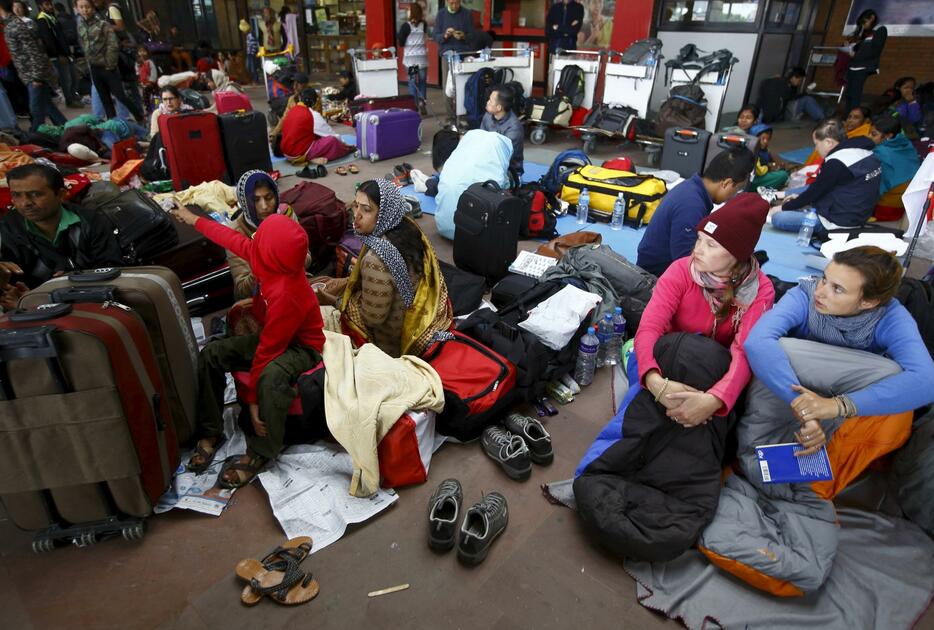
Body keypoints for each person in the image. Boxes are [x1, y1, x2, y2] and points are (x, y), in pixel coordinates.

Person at [167, 204, 325, 489]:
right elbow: (231, 238)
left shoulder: (287, 294)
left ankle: (260, 451)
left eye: (260, 238)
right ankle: (211, 431)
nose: (254, 241)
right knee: (212, 353)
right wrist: (193, 219)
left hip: (302, 346)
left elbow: (267, 352)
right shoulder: (266, 256)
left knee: (270, 378)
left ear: (271, 251)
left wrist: (252, 402)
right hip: (275, 335)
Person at [744, 245, 934, 457]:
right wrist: (806, 409)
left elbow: (927, 381)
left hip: (842, 393)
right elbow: (758, 342)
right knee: (777, 350)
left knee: (891, 373)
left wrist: (835, 406)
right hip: (794, 383)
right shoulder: (804, 294)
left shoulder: (890, 317)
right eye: (824, 278)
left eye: (838, 289)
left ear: (868, 302)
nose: (820, 291)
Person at [636, 193, 775, 426]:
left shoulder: (761, 291)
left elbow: (744, 350)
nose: (697, 250)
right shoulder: (681, 270)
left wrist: (714, 400)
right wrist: (653, 379)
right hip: (668, 358)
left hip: (713, 369)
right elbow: (651, 326)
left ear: (737, 254)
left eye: (711, 244)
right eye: (699, 239)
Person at [338, 179, 452, 358]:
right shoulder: (408, 228)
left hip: (392, 346)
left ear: (384, 213)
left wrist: (344, 302)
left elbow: (373, 319)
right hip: (419, 319)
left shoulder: (375, 259)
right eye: (355, 206)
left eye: (366, 209)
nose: (357, 215)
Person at [0, 163, 123, 292]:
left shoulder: (92, 222)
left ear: (60, 194)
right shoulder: (7, 228)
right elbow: (11, 283)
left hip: (90, 297)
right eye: (16, 195)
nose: (25, 203)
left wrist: (75, 280)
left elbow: (112, 269)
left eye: (35, 194)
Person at [636, 147, 756, 277]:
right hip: (655, 277)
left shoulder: (693, 188)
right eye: (737, 189)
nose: (734, 195)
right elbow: (686, 263)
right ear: (726, 183)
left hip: (660, 267)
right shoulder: (691, 205)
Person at [772, 119, 881, 234]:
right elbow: (821, 186)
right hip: (858, 214)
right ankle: (782, 194)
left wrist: (783, 208)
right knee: (812, 186)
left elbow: (815, 192)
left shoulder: (837, 162)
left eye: (816, 144)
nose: (816, 149)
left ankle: (783, 198)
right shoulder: (864, 151)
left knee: (779, 218)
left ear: (828, 142)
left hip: (837, 223)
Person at [228, 170, 304, 300]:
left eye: (269, 198)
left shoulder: (286, 214)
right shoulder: (235, 233)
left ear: (276, 196)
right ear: (245, 202)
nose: (264, 206)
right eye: (255, 200)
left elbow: (306, 257)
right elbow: (242, 290)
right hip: (260, 299)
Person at [0, 0, 67, 132]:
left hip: (33, 74)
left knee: (36, 109)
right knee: (48, 106)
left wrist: (36, 77)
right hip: (29, 74)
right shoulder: (10, 25)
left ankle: (36, 134)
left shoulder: (15, 26)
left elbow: (34, 51)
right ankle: (67, 128)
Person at [435, 129, 512, 240]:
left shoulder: (457, 158)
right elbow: (501, 185)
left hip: (443, 227)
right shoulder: (497, 147)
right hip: (473, 235)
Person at [76, 0, 144, 122]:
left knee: (121, 96)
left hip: (108, 67)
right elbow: (82, 43)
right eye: (81, 7)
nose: (85, 10)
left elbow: (113, 45)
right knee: (105, 99)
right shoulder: (80, 25)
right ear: (77, 8)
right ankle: (113, 125)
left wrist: (110, 64)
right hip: (93, 67)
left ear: (92, 8)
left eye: (87, 7)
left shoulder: (103, 24)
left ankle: (140, 118)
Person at [279, 87, 354, 165]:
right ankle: (309, 158)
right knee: (332, 141)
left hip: (286, 152)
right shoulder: (312, 114)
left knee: (317, 135)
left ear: (300, 98)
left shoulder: (292, 110)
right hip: (297, 154)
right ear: (314, 102)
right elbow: (331, 135)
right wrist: (344, 144)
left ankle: (308, 157)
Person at [869, 114, 920, 221]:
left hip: (886, 209)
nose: (869, 137)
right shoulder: (906, 144)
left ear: (889, 136)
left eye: (873, 134)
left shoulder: (880, 151)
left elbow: (876, 185)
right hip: (908, 206)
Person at [434, 0, 473, 127]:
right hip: (447, 55)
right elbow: (435, 36)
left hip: (463, 54)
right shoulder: (441, 14)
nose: (454, 6)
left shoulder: (466, 14)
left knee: (464, 86)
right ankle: (450, 117)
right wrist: (445, 35)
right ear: (447, 2)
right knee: (448, 87)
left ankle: (462, 115)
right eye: (451, 3)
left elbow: (472, 36)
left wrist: (462, 36)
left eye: (456, 3)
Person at [36, 0, 80, 108]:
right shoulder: (42, 20)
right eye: (47, 4)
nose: (50, 6)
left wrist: (68, 52)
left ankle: (73, 96)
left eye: (50, 4)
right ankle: (70, 100)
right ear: (41, 6)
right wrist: (58, 55)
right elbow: (48, 40)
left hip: (65, 53)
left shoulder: (52, 17)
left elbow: (61, 37)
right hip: (58, 56)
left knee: (74, 76)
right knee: (66, 79)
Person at [845, 9, 887, 110]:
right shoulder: (862, 33)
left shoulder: (880, 30)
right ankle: (847, 117)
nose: (863, 25)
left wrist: (855, 55)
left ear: (872, 18)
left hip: (864, 66)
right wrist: (849, 46)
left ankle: (853, 117)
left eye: (864, 22)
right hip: (852, 65)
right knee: (848, 93)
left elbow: (875, 51)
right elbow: (856, 48)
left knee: (855, 93)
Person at [481, 84, 524, 183]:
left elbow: (503, 158)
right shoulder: (487, 116)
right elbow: (481, 138)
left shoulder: (514, 128)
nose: (487, 102)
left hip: (508, 171)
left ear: (499, 107)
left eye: (490, 101)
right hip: (488, 162)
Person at [756, 67, 825, 123]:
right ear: (793, 77)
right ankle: (822, 119)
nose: (799, 83)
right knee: (807, 99)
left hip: (763, 113)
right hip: (779, 116)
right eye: (799, 80)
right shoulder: (785, 86)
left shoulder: (772, 80)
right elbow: (791, 98)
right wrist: (805, 93)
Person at [398, 2, 428, 116]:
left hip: (411, 62)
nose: (407, 11)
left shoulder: (406, 26)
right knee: (422, 82)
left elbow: (401, 43)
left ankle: (414, 106)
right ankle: (422, 102)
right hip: (422, 59)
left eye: (409, 10)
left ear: (412, 12)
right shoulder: (423, 24)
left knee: (412, 83)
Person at [748, 123, 790, 190]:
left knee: (782, 171)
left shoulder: (764, 150)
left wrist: (776, 165)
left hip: (760, 175)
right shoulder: (752, 152)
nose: (765, 141)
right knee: (783, 175)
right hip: (751, 180)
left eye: (768, 139)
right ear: (754, 138)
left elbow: (771, 160)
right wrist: (769, 167)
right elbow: (760, 172)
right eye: (763, 138)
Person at [136, 44, 157, 112]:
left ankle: (156, 107)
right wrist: (139, 81)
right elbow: (137, 72)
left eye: (144, 51)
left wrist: (151, 81)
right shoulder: (137, 63)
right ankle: (148, 109)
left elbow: (154, 72)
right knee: (144, 97)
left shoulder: (149, 62)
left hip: (150, 83)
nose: (142, 53)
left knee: (154, 96)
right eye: (140, 51)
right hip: (142, 83)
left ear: (147, 52)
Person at [241, 18, 258, 85]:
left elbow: (254, 45)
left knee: (252, 67)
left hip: (251, 53)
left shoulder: (250, 35)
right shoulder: (249, 35)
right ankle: (253, 80)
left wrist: (253, 53)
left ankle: (255, 80)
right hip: (250, 53)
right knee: (249, 67)